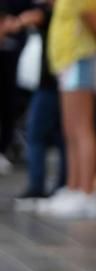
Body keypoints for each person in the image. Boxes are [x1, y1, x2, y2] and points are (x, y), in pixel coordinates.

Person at [42, 0, 96, 218]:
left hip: (79, 60)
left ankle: (86, 192)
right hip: (67, 62)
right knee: (70, 129)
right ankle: (73, 187)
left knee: (82, 128)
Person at [5, 0, 67, 202]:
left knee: (37, 132)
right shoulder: (52, 11)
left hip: (52, 81)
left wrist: (17, 22)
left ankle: (39, 185)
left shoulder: (54, 11)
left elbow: (32, 17)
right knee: (61, 136)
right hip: (55, 79)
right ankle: (61, 185)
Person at [0, 0, 32, 176]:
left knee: (7, 102)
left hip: (12, 51)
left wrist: (17, 23)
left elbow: (35, 13)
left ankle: (3, 147)